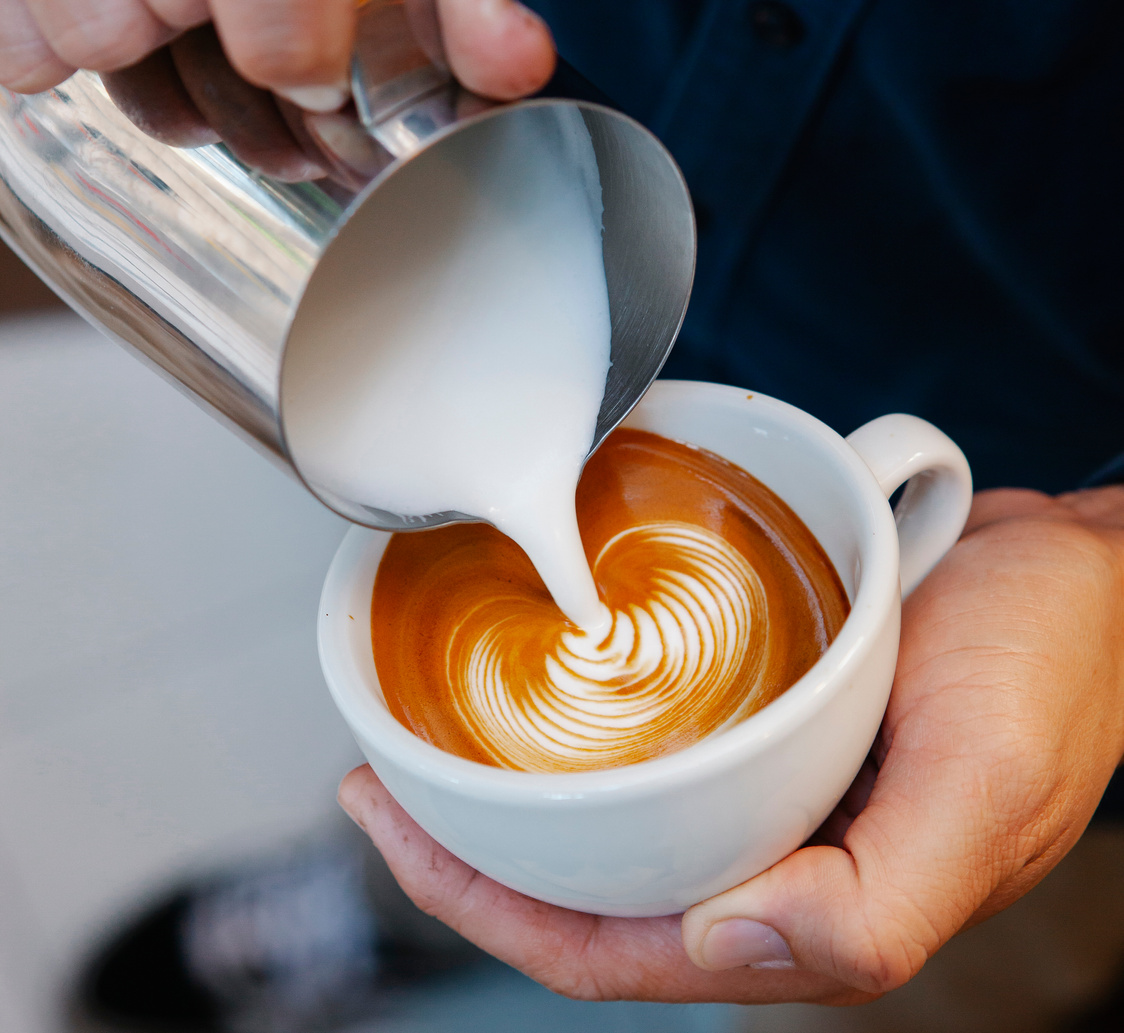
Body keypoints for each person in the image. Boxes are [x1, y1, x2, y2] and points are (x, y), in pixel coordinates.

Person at [3, 0, 1122, 1010]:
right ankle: (397, 906)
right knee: (452, 802)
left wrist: (1102, 544)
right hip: (536, 211)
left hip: (1029, 506)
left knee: (929, 933)